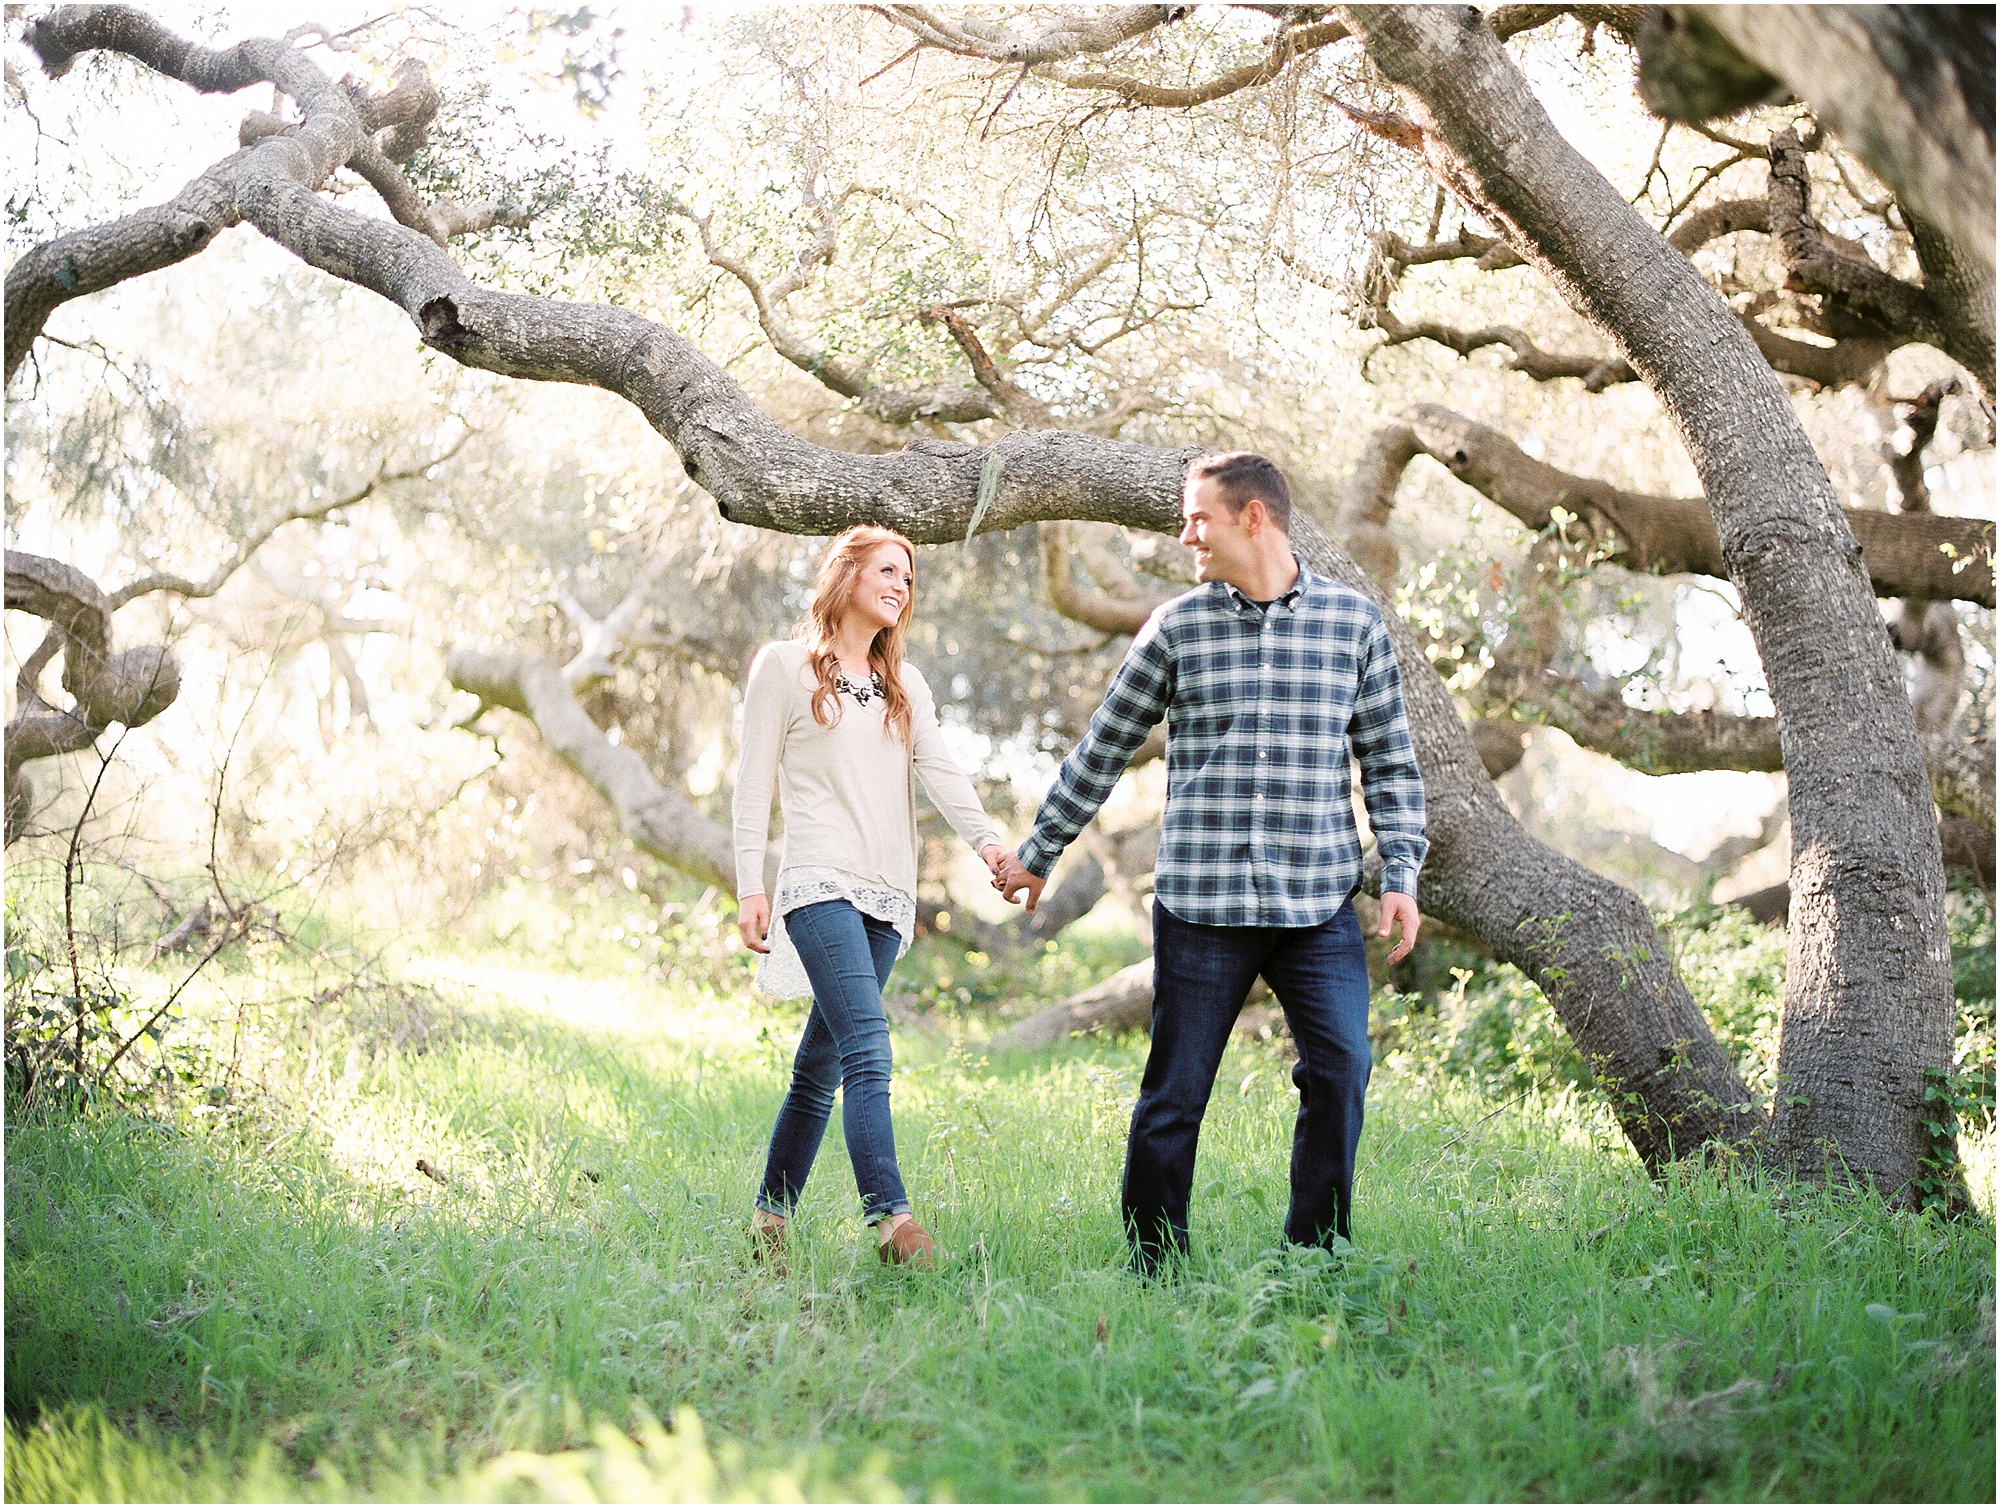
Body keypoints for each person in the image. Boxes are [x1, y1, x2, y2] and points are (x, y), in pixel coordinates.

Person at [993, 452, 1427, 1274]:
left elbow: (1392, 764)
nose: (1185, 533)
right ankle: (1155, 1268)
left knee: (1341, 1074)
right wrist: (1039, 852)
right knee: (1174, 1099)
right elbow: (1104, 747)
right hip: (1201, 907)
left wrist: (1399, 873)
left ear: (1253, 517)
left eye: (1199, 518)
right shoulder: (1178, 628)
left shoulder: (1353, 625)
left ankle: (1316, 1259)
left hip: (1317, 905)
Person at [735, 524, 1008, 1270]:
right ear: (845, 575)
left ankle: (768, 1221)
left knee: (817, 1068)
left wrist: (990, 845)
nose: (901, 585)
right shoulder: (785, 668)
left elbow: (943, 772)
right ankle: (892, 1221)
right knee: (868, 1048)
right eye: (887, 570)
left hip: (888, 898)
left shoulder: (903, 684)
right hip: (819, 883)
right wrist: (748, 886)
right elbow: (753, 781)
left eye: (909, 577)